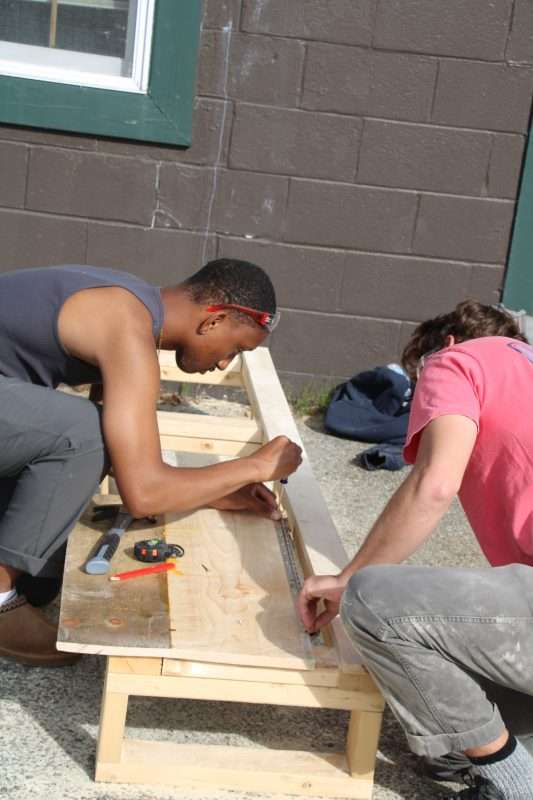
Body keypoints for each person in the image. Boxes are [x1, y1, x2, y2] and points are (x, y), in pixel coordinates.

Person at [0, 259, 302, 667]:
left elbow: (128, 462)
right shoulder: (126, 329)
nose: (223, 364)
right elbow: (142, 493)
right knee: (82, 432)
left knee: (39, 585)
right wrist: (256, 466)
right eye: (235, 349)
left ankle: (15, 586)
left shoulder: (132, 302)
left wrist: (216, 492)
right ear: (213, 320)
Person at [298, 300, 533, 800]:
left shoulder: (457, 361)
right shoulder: (522, 370)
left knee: (374, 598)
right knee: (448, 732)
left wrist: (347, 580)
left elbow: (434, 487)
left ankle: (514, 783)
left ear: (441, 346)